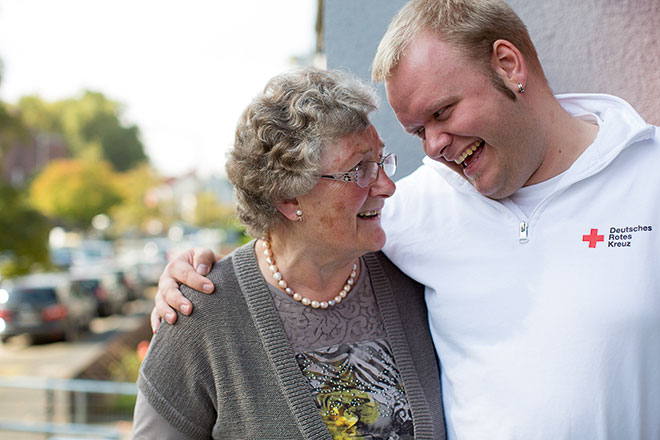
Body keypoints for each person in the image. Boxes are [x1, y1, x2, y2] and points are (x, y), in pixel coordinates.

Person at [153, 1, 660, 439]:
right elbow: (305, 239)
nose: (434, 148)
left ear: (508, 65)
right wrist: (199, 275)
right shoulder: (411, 209)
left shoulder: (648, 178)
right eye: (417, 131)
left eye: (442, 113)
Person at [132, 67, 446, 439]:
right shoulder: (202, 314)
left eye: (381, 160)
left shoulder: (411, 274)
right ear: (287, 196)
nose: (388, 186)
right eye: (360, 169)